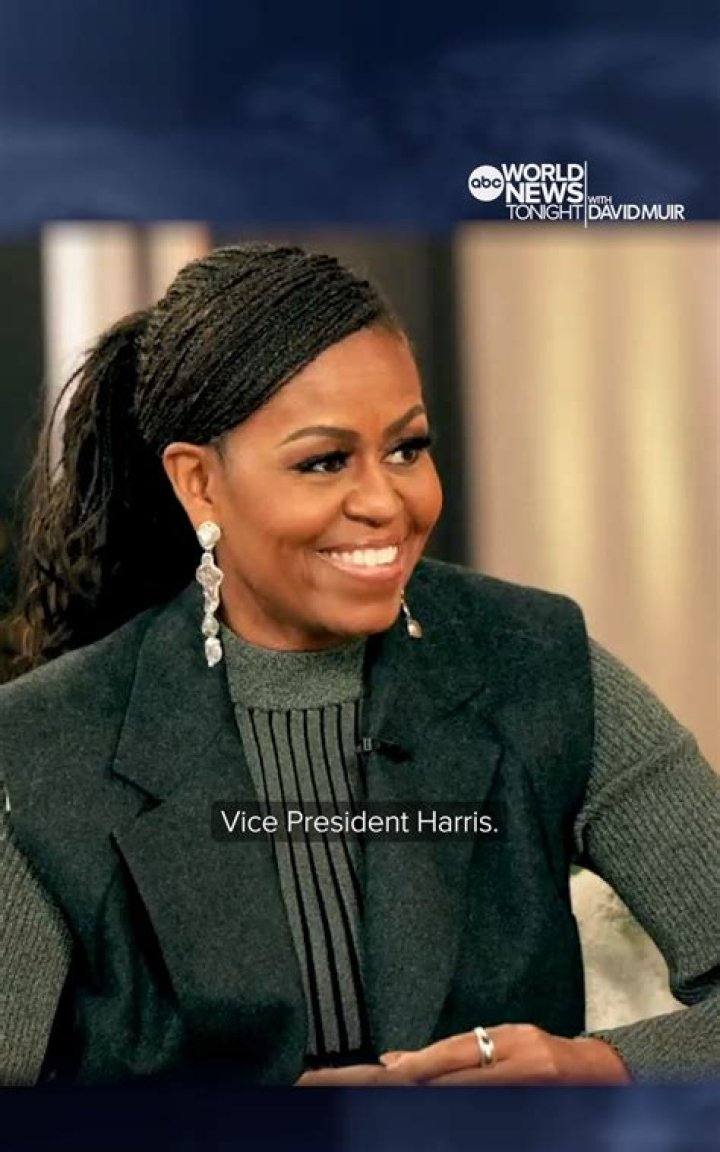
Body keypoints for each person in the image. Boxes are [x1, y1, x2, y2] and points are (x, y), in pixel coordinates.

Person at [0, 242, 717, 1087]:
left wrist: (593, 1069)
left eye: (407, 448)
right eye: (324, 461)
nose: (386, 501)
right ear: (199, 483)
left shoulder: (536, 663)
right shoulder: (44, 745)